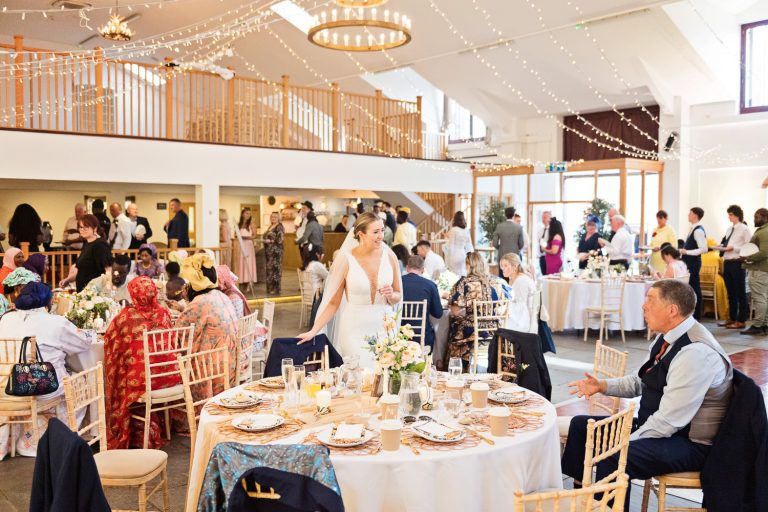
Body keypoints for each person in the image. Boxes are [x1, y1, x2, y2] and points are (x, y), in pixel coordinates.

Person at [562, 280, 733, 510]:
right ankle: (583, 500)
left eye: (650, 300)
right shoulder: (667, 337)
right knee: (582, 427)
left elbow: (669, 421)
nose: (643, 306)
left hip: (689, 443)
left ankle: (608, 509)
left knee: (613, 456)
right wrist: (601, 385)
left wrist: (623, 441)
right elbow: (639, 381)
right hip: (663, 430)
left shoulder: (695, 353)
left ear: (672, 310)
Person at [297, 212, 402, 368]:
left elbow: (398, 295)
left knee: (384, 378)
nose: (381, 235)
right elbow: (333, 303)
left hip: (384, 328)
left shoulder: (390, 257)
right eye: (375, 232)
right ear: (361, 234)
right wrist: (314, 330)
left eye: (382, 230)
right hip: (354, 329)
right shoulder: (346, 259)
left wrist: (391, 294)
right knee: (359, 375)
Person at [0, 281, 93, 456]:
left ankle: (18, 440)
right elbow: (83, 342)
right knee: (83, 381)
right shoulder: (56, 322)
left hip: (6, 387)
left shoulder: (6, 318)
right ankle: (62, 437)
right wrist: (90, 333)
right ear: (47, 301)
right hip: (39, 389)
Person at [103, 276, 180, 449]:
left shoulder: (125, 317)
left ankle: (133, 428)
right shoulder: (164, 312)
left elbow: (110, 340)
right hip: (169, 376)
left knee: (122, 372)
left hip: (145, 382)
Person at [176, 253, 238, 393]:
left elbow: (178, 334)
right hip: (229, 365)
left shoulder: (200, 302)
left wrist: (187, 301)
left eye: (189, 282)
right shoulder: (222, 296)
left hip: (210, 372)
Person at [447, 251, 500, 370]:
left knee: (454, 326)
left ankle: (458, 368)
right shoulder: (491, 281)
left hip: (472, 330)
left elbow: (455, 311)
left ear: (468, 264)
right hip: (492, 329)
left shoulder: (464, 282)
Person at [58, 214, 113, 292]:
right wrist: (67, 280)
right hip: (83, 291)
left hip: (94, 293)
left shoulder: (100, 244)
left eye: (86, 227)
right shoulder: (87, 243)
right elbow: (80, 269)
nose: (82, 229)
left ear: (95, 228)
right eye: (80, 227)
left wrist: (108, 290)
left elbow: (108, 269)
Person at [717, 205, 751, 330]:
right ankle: (731, 318)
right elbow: (727, 243)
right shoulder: (729, 229)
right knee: (730, 292)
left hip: (737, 262)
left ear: (737, 215)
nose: (729, 217)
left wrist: (735, 248)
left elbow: (749, 246)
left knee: (740, 292)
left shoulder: (744, 229)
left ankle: (741, 320)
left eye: (730, 214)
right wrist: (718, 246)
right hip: (727, 261)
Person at [401, 255, 443, 350]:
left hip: (399, 335)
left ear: (407, 268)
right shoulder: (430, 285)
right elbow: (438, 314)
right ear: (423, 270)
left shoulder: (398, 283)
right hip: (422, 336)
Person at [742, 208, 768, 335]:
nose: (754, 219)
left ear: (764, 217)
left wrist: (747, 257)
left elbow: (764, 252)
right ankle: (765, 325)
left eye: (757, 217)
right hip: (763, 269)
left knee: (759, 298)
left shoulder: (764, 232)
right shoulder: (763, 231)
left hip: (759, 269)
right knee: (764, 297)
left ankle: (758, 325)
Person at [679, 207, 708, 320]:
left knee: (695, 288)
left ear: (695, 215)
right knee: (691, 287)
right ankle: (692, 315)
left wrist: (687, 251)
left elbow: (704, 249)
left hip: (694, 262)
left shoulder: (698, 231)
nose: (688, 215)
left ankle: (696, 316)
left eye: (690, 213)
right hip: (689, 261)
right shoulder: (692, 228)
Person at [499, 253, 537, 333]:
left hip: (522, 321)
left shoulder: (520, 281)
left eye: (505, 266)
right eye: (502, 266)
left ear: (515, 266)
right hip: (521, 315)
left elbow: (521, 307)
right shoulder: (514, 278)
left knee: (495, 321)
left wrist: (502, 308)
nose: (502, 269)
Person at [492, 206, 526, 277]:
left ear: (505, 215)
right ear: (513, 215)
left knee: (502, 277)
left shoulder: (499, 226)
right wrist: (515, 248)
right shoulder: (519, 228)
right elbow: (521, 244)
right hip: (515, 257)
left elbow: (494, 243)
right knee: (515, 277)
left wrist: (501, 248)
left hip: (502, 255)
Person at [302, 247, 328, 327]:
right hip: (316, 295)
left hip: (308, 294)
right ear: (317, 254)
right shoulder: (317, 265)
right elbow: (328, 276)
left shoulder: (308, 264)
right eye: (322, 254)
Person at [445, 211, 474, 277]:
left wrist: (448, 259)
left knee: (453, 275)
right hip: (463, 254)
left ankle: (456, 287)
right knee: (462, 273)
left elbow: (451, 245)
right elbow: (469, 244)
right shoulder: (466, 230)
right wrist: (470, 254)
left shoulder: (454, 230)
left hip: (454, 255)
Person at [263, 211, 285, 295]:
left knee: (275, 271)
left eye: (275, 217)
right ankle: (270, 288)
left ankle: (275, 289)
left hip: (276, 253)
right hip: (269, 253)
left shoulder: (280, 227)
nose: (273, 218)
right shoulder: (270, 226)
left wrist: (271, 241)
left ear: (278, 218)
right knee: (269, 270)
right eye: (272, 217)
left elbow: (280, 240)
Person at [237, 207, 257, 295]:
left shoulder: (252, 224)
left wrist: (247, 237)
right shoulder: (239, 224)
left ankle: (249, 283)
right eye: (246, 213)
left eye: (249, 213)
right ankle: (242, 282)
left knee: (249, 263)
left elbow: (254, 236)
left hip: (248, 245)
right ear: (242, 214)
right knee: (242, 264)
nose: (248, 215)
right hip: (241, 246)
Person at [535, 211, 552, 275]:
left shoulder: (552, 231)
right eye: (542, 217)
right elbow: (539, 243)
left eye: (545, 217)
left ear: (549, 218)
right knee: (543, 275)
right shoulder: (540, 230)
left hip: (549, 256)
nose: (543, 219)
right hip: (542, 257)